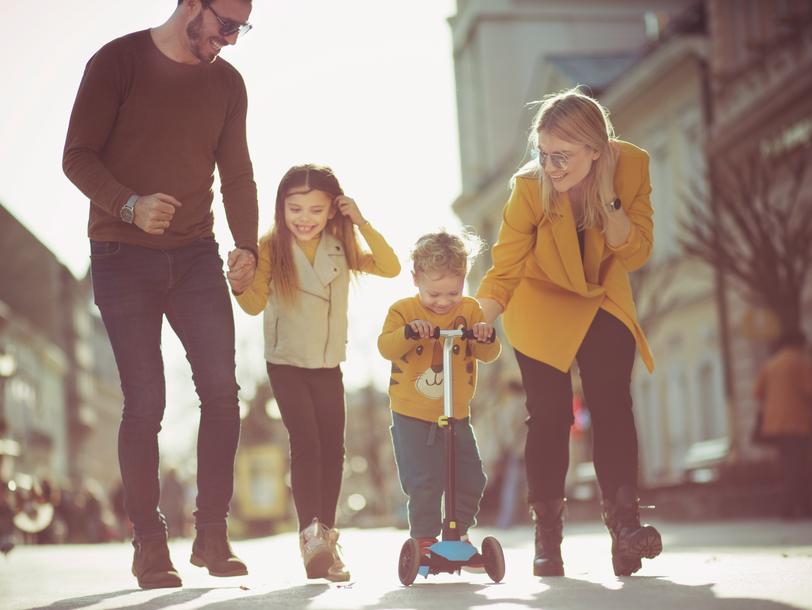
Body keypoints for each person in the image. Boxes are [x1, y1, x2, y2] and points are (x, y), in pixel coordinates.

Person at [62, 0, 258, 590]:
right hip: (122, 255)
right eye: (224, 24)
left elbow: (238, 171)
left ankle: (212, 535)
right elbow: (76, 157)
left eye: (240, 29)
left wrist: (245, 246)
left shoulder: (227, 83)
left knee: (223, 393)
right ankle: (149, 545)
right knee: (145, 401)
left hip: (197, 254)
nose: (230, 38)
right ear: (191, 6)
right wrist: (129, 204)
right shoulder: (117, 62)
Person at [475, 87, 662, 578]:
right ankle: (548, 535)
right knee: (551, 414)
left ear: (596, 148)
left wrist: (609, 202)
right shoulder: (528, 187)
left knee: (611, 402)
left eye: (563, 155)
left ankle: (625, 527)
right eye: (543, 153)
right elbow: (506, 264)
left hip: (600, 294)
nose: (551, 166)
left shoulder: (632, 167)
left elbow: (637, 251)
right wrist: (479, 316)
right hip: (541, 300)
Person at [235, 163, 401, 581]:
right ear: (281, 208)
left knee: (334, 449)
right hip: (286, 362)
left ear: (332, 210)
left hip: (328, 363)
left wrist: (360, 221)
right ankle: (310, 535)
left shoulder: (340, 245)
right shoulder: (270, 247)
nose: (304, 218)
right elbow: (254, 305)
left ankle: (326, 540)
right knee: (306, 442)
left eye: (315, 208)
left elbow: (391, 266)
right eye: (295, 208)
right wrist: (239, 281)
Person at [378, 231, 500, 559]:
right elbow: (386, 346)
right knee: (424, 480)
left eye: (453, 292)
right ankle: (424, 540)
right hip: (412, 413)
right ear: (416, 278)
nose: (444, 302)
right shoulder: (402, 310)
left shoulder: (471, 310)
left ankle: (457, 534)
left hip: (457, 413)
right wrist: (408, 332)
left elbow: (489, 354)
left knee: (471, 477)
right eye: (434, 293)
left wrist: (486, 336)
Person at [754, 330, 812, 519]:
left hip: (775, 426)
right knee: (800, 466)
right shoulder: (802, 362)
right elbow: (811, 390)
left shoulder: (770, 365)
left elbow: (757, 392)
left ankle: (789, 509)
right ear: (799, 344)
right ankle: (802, 508)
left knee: (787, 466)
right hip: (797, 424)